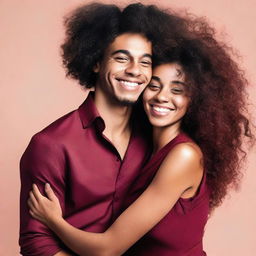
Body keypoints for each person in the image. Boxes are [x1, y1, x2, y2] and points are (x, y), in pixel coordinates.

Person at [27, 16, 254, 256]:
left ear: (196, 100)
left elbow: (108, 248)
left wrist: (54, 221)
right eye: (154, 86)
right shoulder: (143, 144)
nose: (162, 97)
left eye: (178, 90)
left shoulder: (183, 156)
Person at [19, 3, 193, 256]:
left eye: (145, 62)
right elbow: (37, 244)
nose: (134, 71)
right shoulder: (51, 144)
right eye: (121, 58)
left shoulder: (158, 138)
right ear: (96, 62)